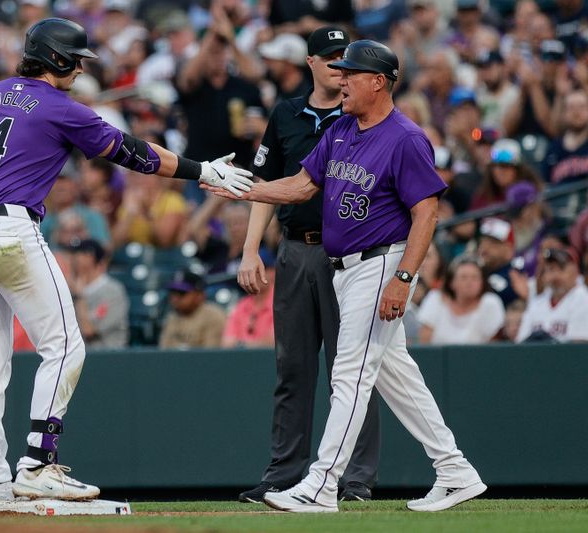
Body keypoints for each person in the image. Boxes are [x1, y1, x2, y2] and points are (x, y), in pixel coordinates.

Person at [0, 17, 253, 505]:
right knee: (67, 346)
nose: (80, 69)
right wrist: (201, 170)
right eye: (76, 60)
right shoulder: (60, 106)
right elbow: (132, 153)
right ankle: (37, 464)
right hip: (10, 228)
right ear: (58, 59)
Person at [206, 40, 486, 513]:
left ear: (378, 81)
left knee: (350, 372)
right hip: (345, 269)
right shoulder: (340, 128)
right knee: (397, 376)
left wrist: (403, 278)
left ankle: (322, 483)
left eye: (351, 73)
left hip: (381, 262)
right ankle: (455, 471)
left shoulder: (406, 137)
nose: (342, 79)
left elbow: (427, 213)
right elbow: (300, 186)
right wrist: (243, 189)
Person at [236, 27, 380, 504]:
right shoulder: (286, 114)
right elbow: (267, 181)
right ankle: (284, 473)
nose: (340, 65)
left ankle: (354, 478)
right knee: (292, 367)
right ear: (312, 63)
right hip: (297, 247)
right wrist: (250, 247)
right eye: (332, 57)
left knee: (352, 369)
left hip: (350, 253)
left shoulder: (363, 112)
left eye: (347, 58)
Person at [417, 257, 505, 345]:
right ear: (451, 282)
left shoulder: (490, 303)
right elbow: (424, 341)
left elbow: (495, 344)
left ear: (482, 282)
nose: (469, 282)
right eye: (464, 277)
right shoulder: (435, 298)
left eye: (475, 278)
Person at [64, 238, 129, 349]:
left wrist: (80, 297)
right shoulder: (68, 290)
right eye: (75, 254)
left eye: (83, 254)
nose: (76, 258)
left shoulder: (113, 291)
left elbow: (88, 330)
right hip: (77, 357)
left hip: (108, 356)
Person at [516, 247, 588, 343]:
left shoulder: (582, 298)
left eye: (561, 269)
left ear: (575, 271)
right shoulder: (537, 303)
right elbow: (521, 343)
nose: (555, 276)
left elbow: (579, 346)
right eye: (550, 270)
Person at [158, 269, 226, 349]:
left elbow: (211, 355)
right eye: (173, 293)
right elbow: (163, 353)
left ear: (199, 295)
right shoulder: (172, 317)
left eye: (181, 293)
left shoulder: (213, 316)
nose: (175, 298)